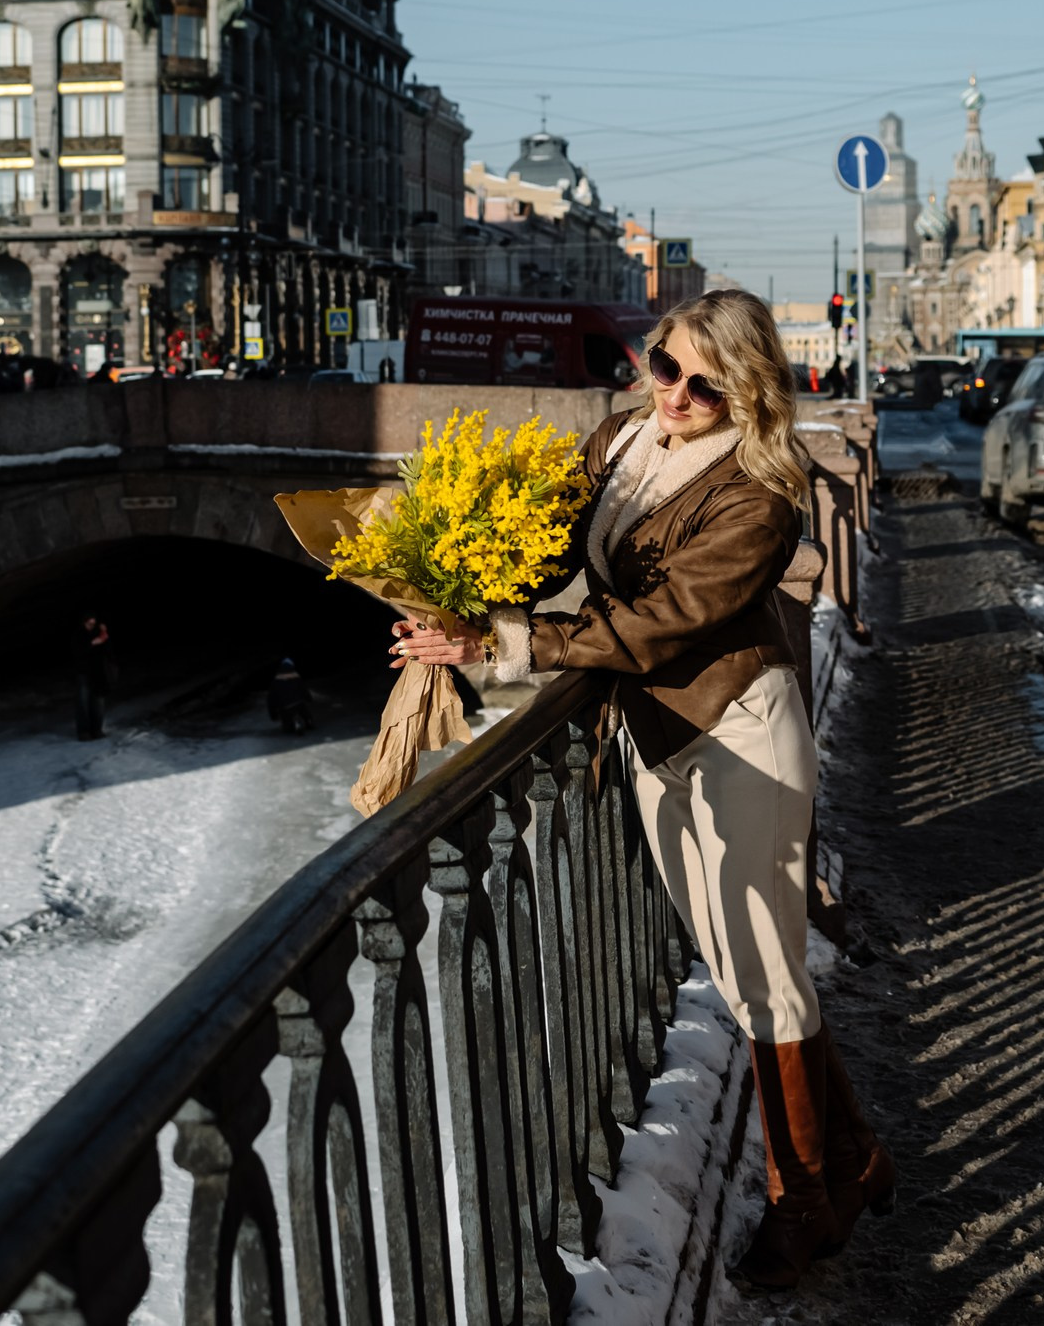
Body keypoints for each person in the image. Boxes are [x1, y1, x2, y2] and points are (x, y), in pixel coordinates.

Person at [392, 289, 894, 1292]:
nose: (678, 395)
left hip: (739, 732)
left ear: (746, 392)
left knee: (763, 966)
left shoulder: (759, 491)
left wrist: (502, 649)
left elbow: (660, 622)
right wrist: (453, 571)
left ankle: (806, 1206)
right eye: (666, 368)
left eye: (707, 384)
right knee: (739, 958)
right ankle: (853, 1156)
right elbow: (543, 542)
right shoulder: (622, 439)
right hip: (658, 732)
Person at [72, 614, 113, 740]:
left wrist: (104, 633)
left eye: (93, 624)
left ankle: (97, 730)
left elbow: (107, 650)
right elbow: (76, 651)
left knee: (98, 702)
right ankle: (83, 732)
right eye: (89, 623)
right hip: (83, 672)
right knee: (83, 702)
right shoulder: (78, 635)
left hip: (98, 673)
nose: (91, 626)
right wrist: (91, 643)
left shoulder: (99, 633)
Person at [267, 658, 313, 734]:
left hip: (285, 706)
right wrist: (309, 699)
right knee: (304, 711)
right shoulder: (296, 677)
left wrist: (273, 714)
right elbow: (303, 689)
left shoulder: (275, 681)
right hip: (299, 702)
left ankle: (291, 727)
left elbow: (271, 699)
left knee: (287, 728)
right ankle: (309, 722)